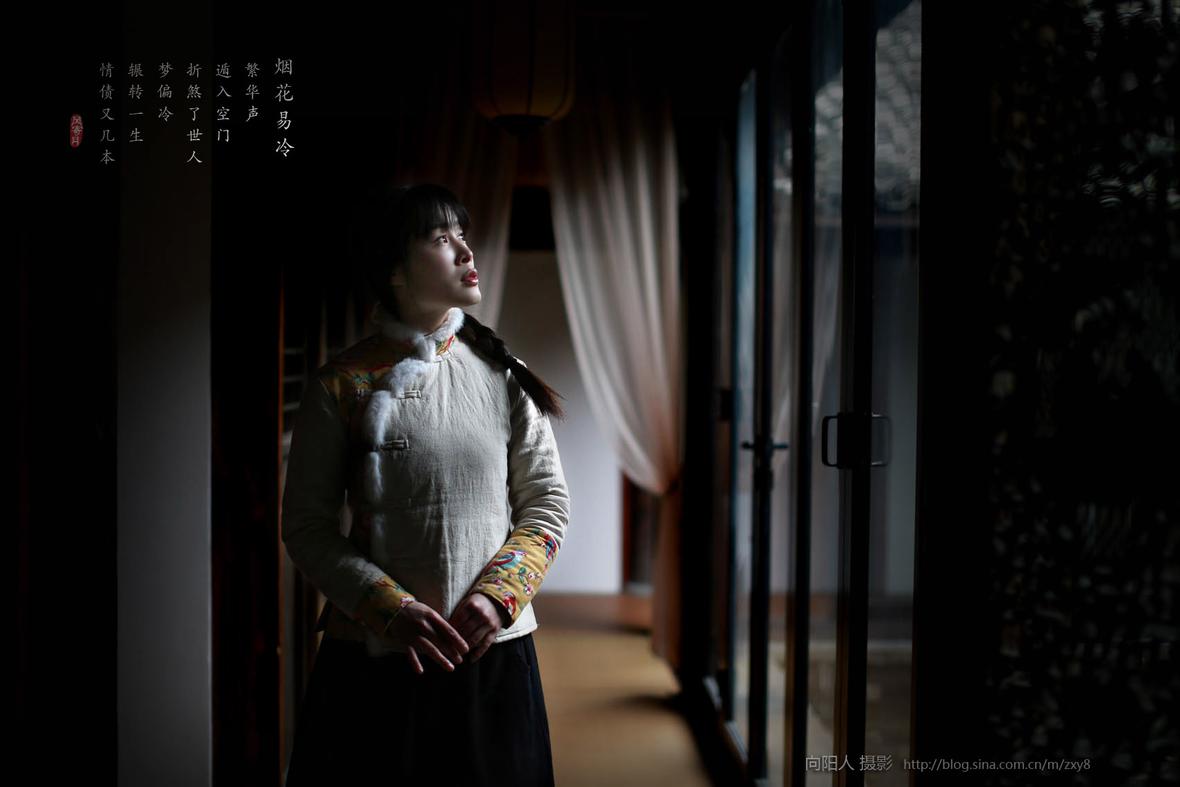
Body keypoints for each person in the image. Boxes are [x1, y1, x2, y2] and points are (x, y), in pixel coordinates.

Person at [281, 182, 570, 786]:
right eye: (442, 238)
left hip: (493, 647)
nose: (466, 250)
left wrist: (497, 597)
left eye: (463, 234)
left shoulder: (503, 374)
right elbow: (306, 528)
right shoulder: (340, 385)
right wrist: (392, 609)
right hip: (374, 658)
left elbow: (546, 505)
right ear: (394, 269)